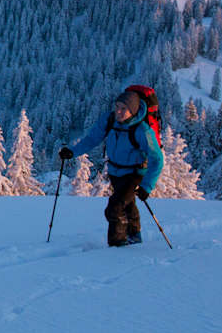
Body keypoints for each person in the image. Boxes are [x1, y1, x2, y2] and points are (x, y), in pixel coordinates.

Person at [61, 89, 164, 247]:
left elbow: (157, 159)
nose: (119, 111)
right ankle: (134, 237)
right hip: (115, 172)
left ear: (133, 110)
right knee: (127, 205)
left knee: (114, 208)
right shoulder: (110, 121)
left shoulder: (142, 131)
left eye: (124, 108)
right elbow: (92, 139)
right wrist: (72, 152)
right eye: (117, 107)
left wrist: (146, 187)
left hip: (134, 174)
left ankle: (117, 247)